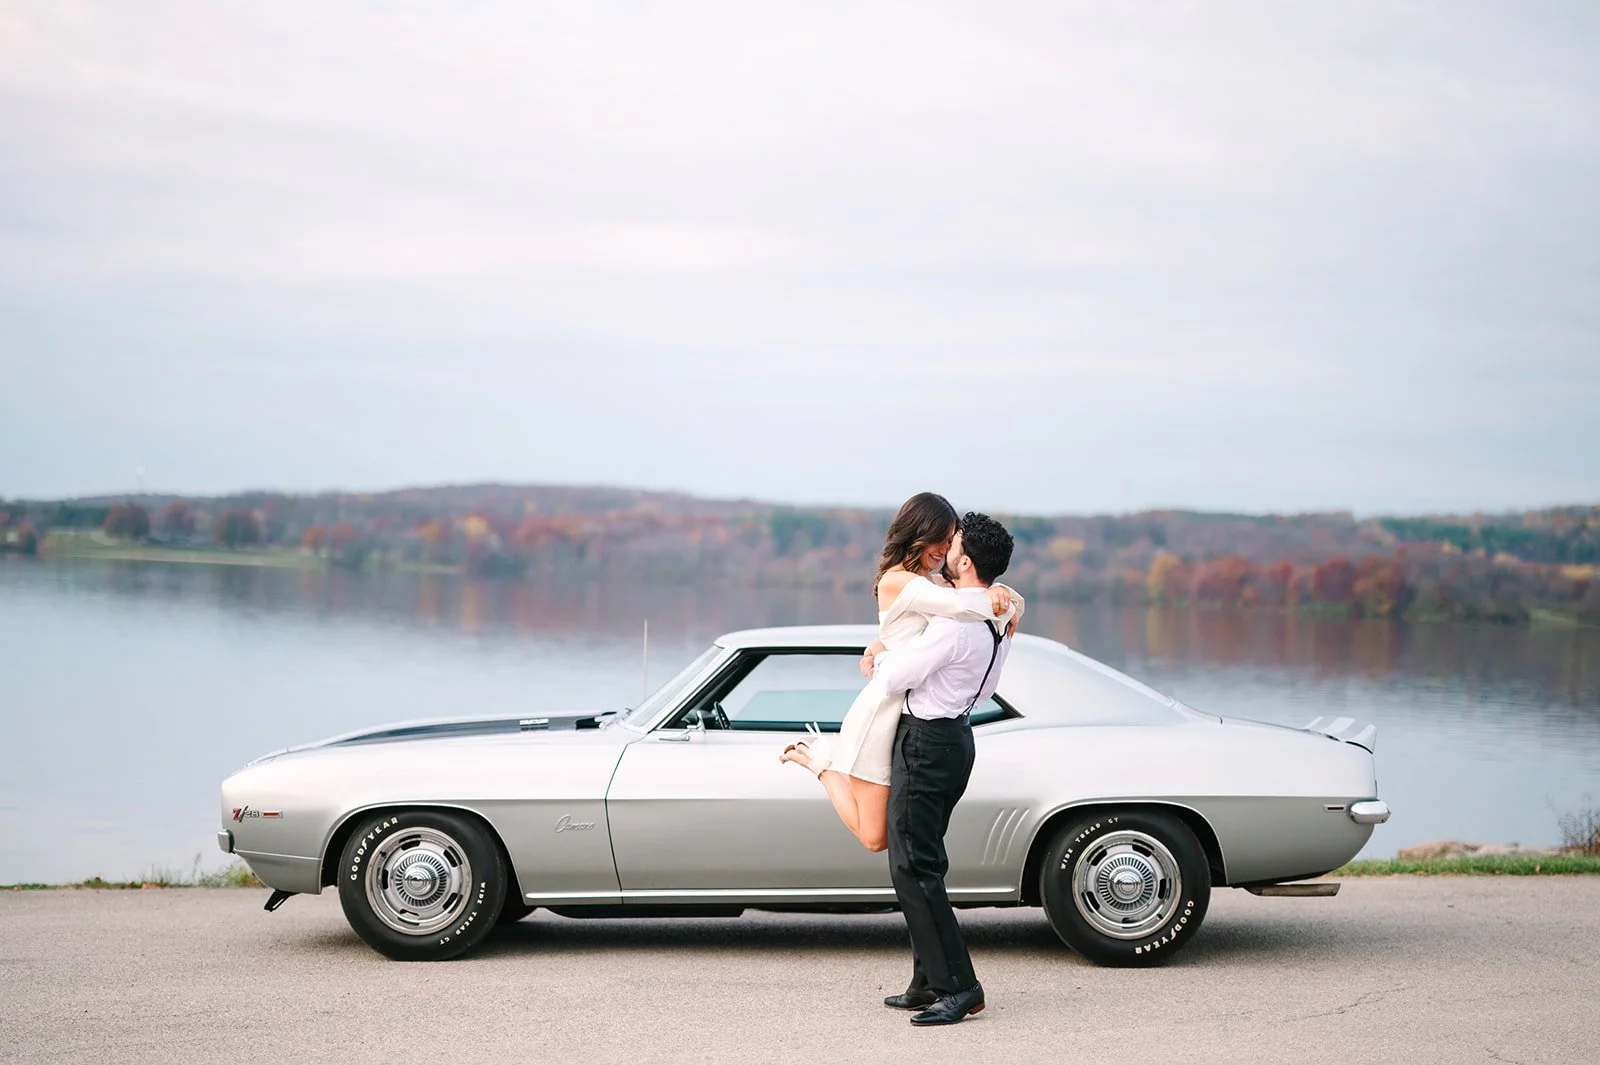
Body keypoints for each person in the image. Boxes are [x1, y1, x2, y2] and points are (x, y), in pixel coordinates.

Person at [779, 493, 1020, 852]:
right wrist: (1007, 599)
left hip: (910, 720)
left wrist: (1004, 593)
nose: (943, 549)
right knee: (875, 838)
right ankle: (822, 763)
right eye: (940, 539)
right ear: (918, 534)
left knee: (891, 835)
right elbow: (959, 606)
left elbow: (960, 601)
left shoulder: (929, 581)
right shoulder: (899, 581)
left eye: (950, 540)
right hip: (880, 713)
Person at [870, 511, 1017, 1025]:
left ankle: (960, 987)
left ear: (966, 561)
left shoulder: (956, 627)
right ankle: (927, 979)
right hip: (955, 739)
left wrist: (879, 653)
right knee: (923, 860)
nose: (946, 550)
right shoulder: (996, 620)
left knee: (913, 866)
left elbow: (893, 679)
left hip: (927, 743)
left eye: (953, 544)